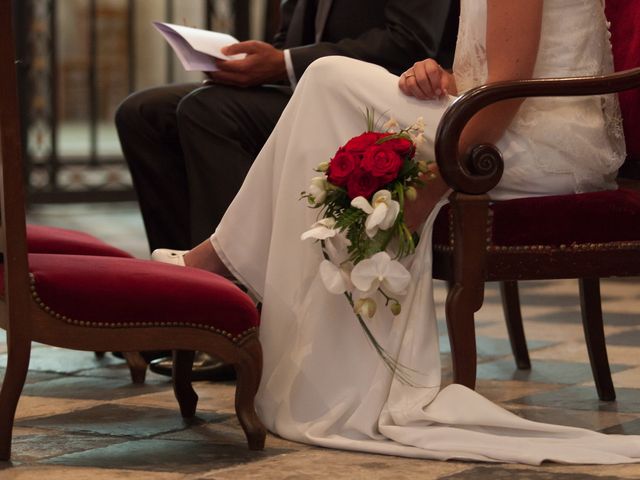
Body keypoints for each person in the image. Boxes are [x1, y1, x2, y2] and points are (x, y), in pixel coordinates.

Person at [152, 0, 640, 464]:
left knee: (327, 80)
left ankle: (223, 266)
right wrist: (440, 77)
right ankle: (241, 278)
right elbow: (491, 73)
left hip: (542, 143)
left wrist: (440, 179)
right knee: (329, 90)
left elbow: (511, 86)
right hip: (504, 115)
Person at [116, 0, 459, 379]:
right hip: (302, 87)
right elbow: (290, 37)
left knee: (207, 111)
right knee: (143, 114)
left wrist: (284, 63)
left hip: (382, 100)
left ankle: (235, 325)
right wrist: (252, 64)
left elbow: (408, 43)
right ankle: (180, 315)